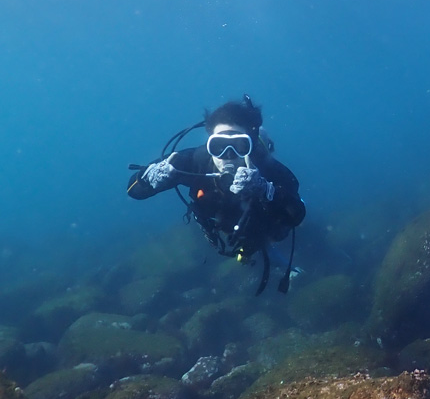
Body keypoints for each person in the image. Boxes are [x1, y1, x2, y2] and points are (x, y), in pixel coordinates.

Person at [127, 96, 306, 294]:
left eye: (239, 146)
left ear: (252, 145)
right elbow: (133, 191)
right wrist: (148, 180)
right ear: (208, 143)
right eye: (218, 146)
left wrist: (266, 190)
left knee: (274, 235)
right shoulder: (194, 162)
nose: (228, 155)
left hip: (260, 223)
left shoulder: (267, 169)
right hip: (221, 220)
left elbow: (297, 214)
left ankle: (271, 251)